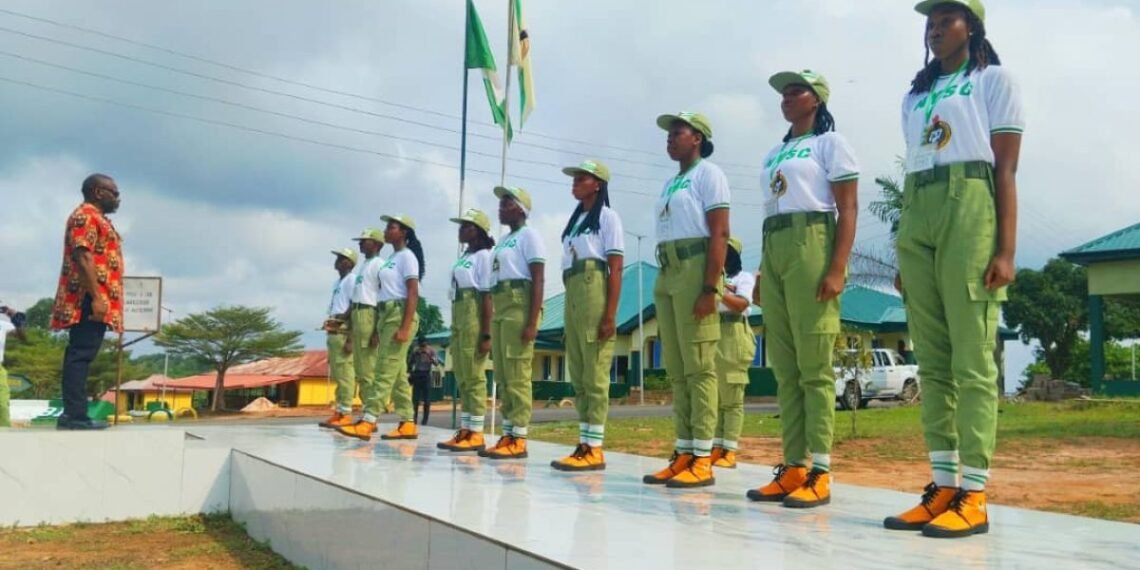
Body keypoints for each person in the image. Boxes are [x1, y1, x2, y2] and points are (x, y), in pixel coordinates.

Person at [885, 0, 1022, 539]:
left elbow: (1006, 168)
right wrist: (904, 245)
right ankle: (943, 485)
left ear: (973, 27)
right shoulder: (914, 93)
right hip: (919, 209)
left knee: (972, 361)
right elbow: (913, 166)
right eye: (931, 23)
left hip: (970, 203)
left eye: (948, 20)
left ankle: (975, 493)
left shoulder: (993, 79)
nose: (937, 29)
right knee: (933, 361)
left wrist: (1005, 250)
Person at [746, 70, 859, 508]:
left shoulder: (831, 143)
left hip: (812, 240)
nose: (787, 97)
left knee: (813, 366)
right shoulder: (775, 152)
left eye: (797, 91)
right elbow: (772, 208)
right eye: (784, 92)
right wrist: (760, 269)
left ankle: (821, 469)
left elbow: (847, 207)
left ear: (817, 100)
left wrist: (837, 266)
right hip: (775, 246)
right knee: (786, 367)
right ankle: (793, 464)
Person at [642, 112, 730, 488]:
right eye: (668, 134)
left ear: (697, 138)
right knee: (677, 368)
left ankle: (702, 455)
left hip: (695, 269)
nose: (670, 138)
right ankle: (683, 449)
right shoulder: (671, 182)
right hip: (667, 270)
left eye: (677, 132)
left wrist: (710, 289)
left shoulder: (709, 175)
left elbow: (720, 232)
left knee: (699, 366)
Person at [550, 160, 624, 472]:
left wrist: (610, 314)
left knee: (594, 372)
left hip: (594, 288)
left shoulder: (607, 218)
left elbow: (616, 267)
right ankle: (584, 441)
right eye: (574, 178)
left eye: (582, 178)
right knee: (578, 371)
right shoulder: (577, 220)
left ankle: (595, 446)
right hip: (573, 290)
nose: (575, 182)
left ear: (598, 184)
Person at [338, 215, 424, 441]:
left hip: (400, 314)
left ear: (404, 232)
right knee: (395, 374)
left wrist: (405, 327)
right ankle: (407, 422)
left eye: (391, 227)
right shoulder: (392, 259)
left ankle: (369, 420)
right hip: (386, 314)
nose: (386, 230)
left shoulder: (408, 257)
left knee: (384, 369)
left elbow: (413, 292)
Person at [50, 173, 124, 430]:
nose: (118, 198)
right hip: (87, 300)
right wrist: (97, 298)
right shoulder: (86, 216)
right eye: (113, 193)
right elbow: (83, 257)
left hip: (94, 300)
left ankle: (75, 414)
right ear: (97, 192)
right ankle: (74, 415)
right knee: (80, 355)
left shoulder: (99, 220)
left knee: (83, 355)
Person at [480, 186, 545, 460]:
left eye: (507, 202)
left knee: (517, 371)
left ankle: (519, 435)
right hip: (501, 302)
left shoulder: (529, 236)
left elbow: (538, 277)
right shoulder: (505, 240)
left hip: (519, 302)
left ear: (521, 208)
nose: (501, 207)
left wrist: (532, 320)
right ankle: (508, 433)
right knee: (505, 375)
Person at [437, 208, 495, 452]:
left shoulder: (484, 256)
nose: (461, 230)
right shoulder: (465, 256)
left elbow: (486, 295)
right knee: (461, 372)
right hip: (458, 310)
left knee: (473, 373)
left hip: (473, 309)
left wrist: (486, 333)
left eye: (466, 226)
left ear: (478, 231)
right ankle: (466, 427)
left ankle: (477, 431)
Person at [331, 229, 385, 432]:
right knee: (362, 372)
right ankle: (365, 415)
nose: (361, 244)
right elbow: (354, 305)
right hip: (358, 317)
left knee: (368, 373)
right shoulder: (365, 265)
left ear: (377, 244)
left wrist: (376, 332)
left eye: (365, 241)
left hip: (369, 317)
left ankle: (370, 417)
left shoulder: (379, 265)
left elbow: (380, 298)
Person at [710, 237, 756, 470]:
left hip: (734, 333)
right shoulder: (713, 277)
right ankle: (716, 447)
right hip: (714, 332)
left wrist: (718, 291)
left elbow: (741, 303)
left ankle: (729, 449)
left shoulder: (742, 278)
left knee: (732, 397)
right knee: (716, 398)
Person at [318, 247, 358, 429]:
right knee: (337, 373)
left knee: (345, 373)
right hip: (334, 329)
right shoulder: (338, 282)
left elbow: (354, 306)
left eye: (342, 258)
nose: (338, 261)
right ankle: (339, 410)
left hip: (343, 330)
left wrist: (351, 338)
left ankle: (346, 413)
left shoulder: (352, 280)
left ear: (349, 263)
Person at [0, 306, 28, 427]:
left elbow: (22, 337)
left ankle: (4, 431)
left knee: (2, 402)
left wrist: (16, 320)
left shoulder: (3, 325)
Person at [408, 337, 441, 425]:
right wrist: (411, 374)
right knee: (415, 400)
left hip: (426, 375)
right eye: (421, 345)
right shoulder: (416, 351)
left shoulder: (431, 351)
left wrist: (429, 355)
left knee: (426, 400)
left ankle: (425, 420)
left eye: (424, 345)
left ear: (426, 343)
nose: (422, 347)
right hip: (417, 374)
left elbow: (437, 363)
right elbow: (410, 363)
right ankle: (414, 419)